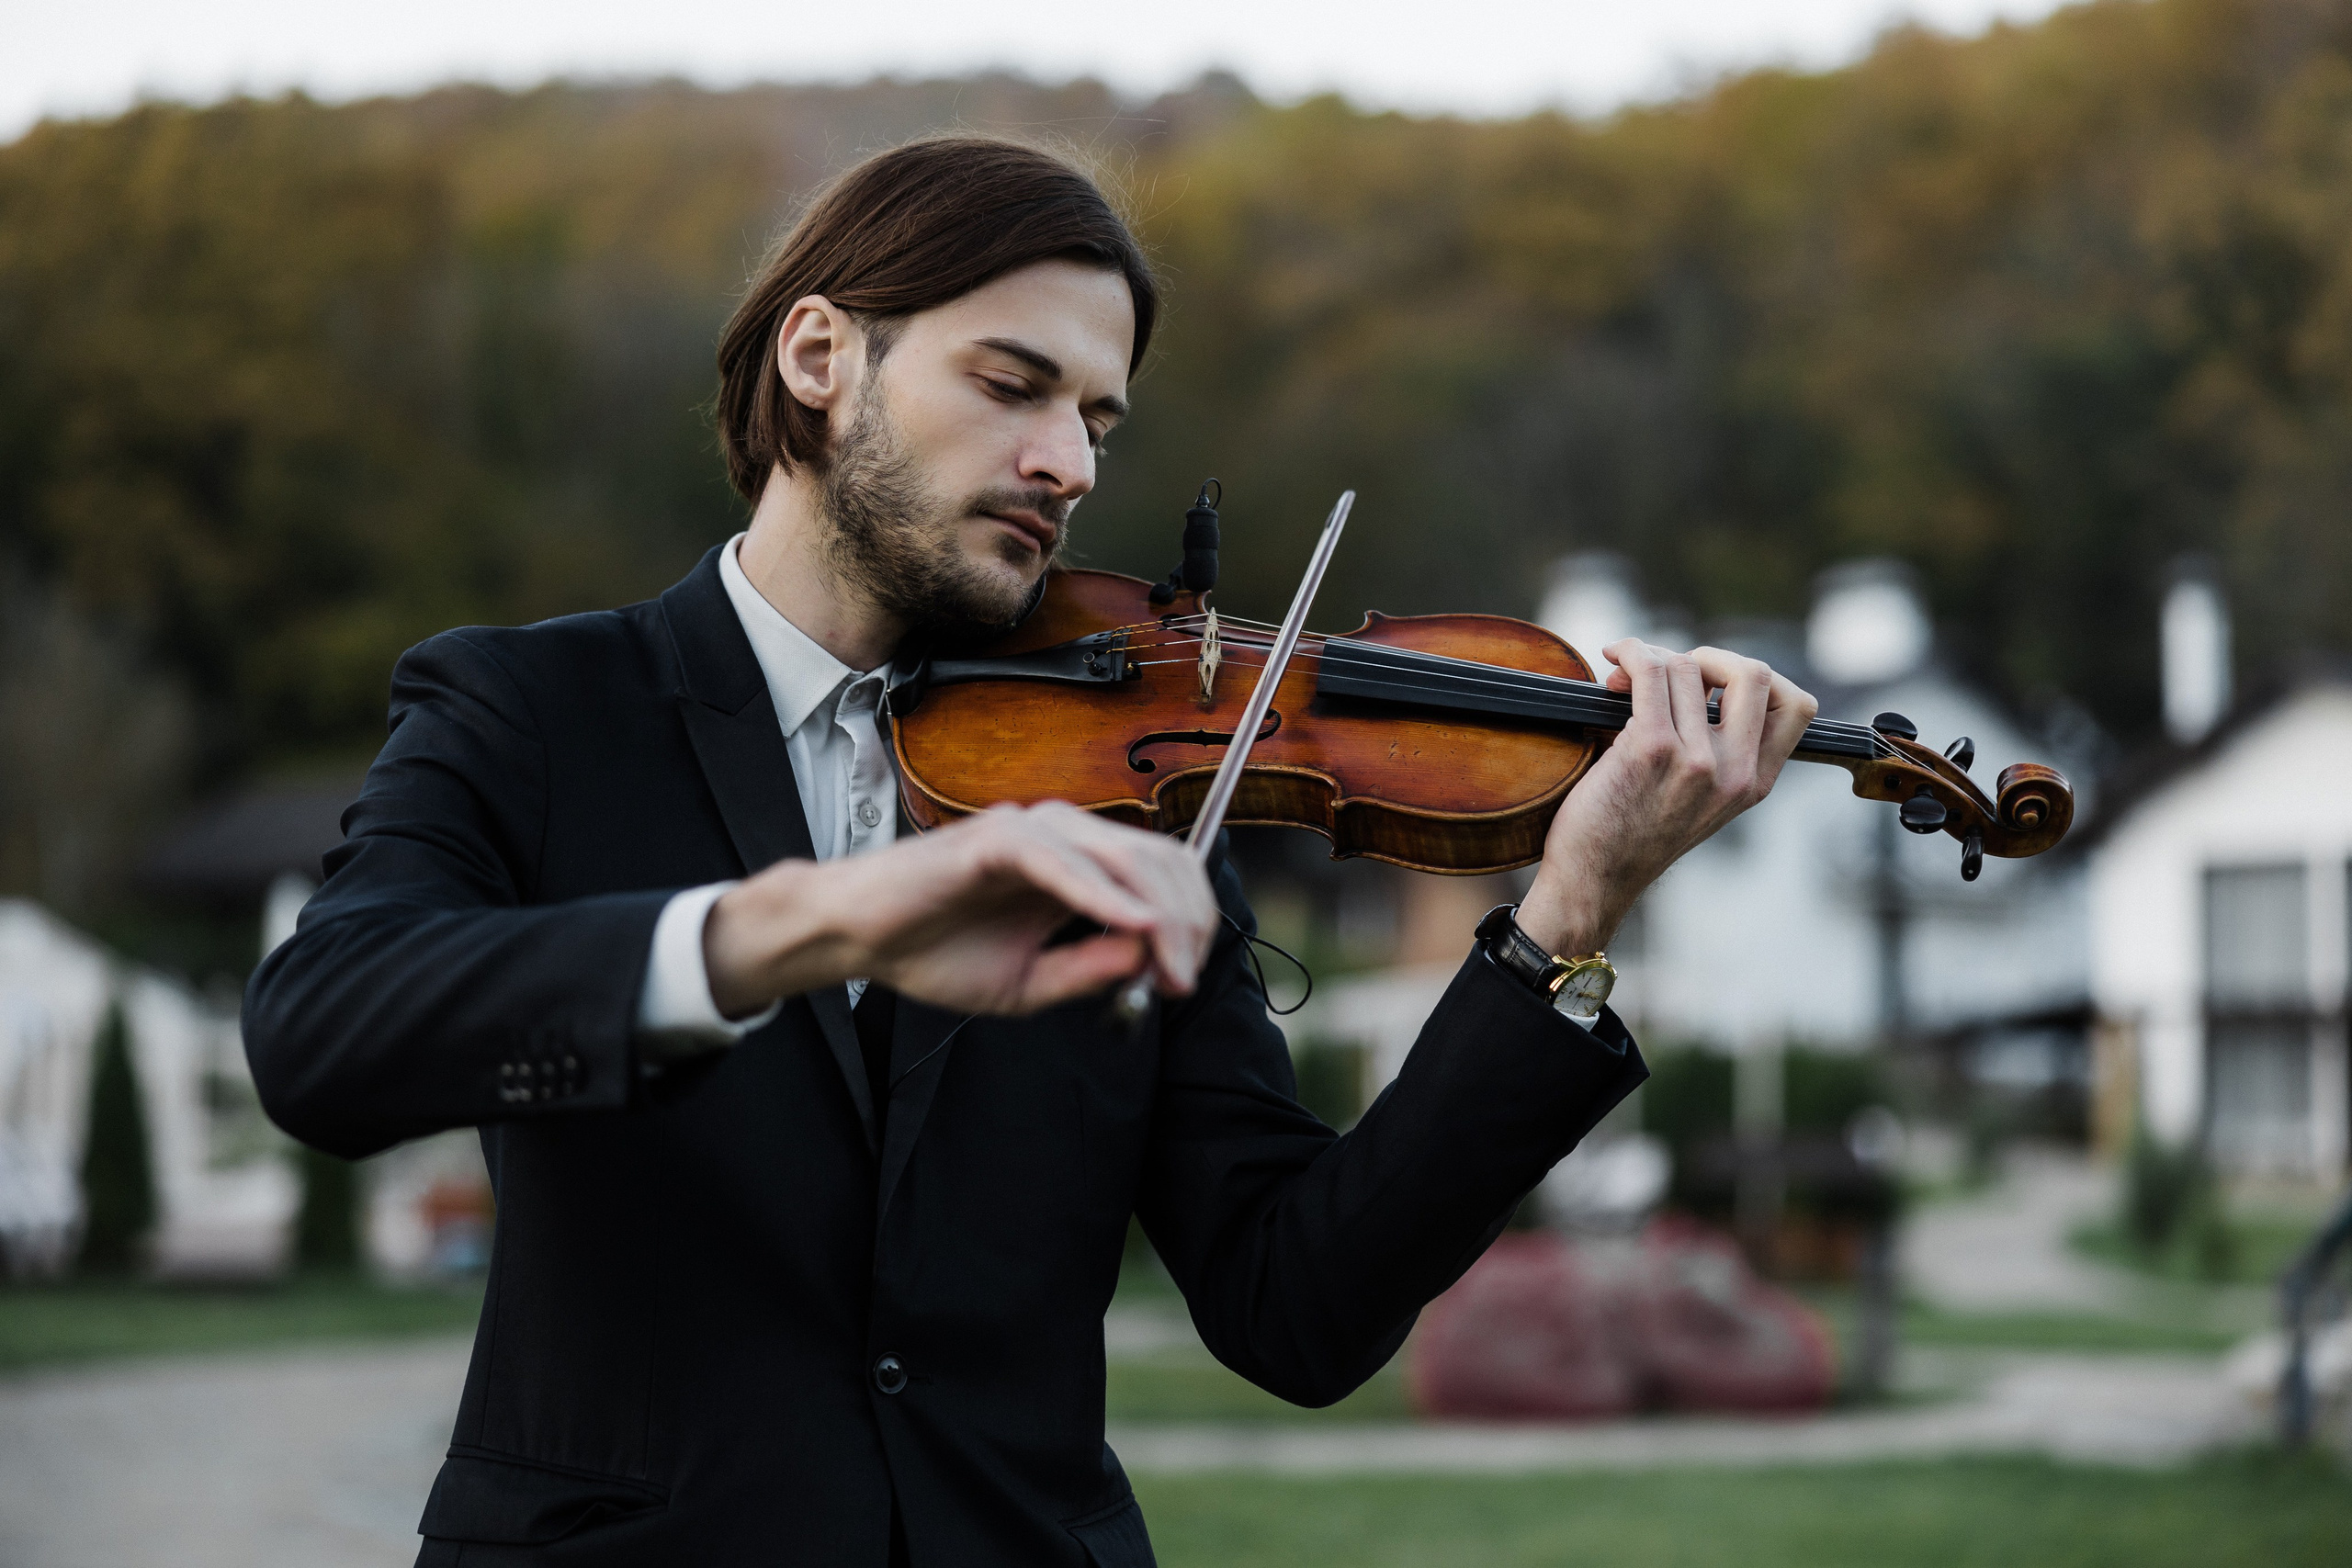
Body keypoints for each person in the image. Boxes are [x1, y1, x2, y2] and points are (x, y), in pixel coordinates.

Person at [243, 135, 1817, 1568]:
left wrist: (1568, 911)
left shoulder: (1133, 810)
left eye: (1096, 418)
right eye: (1014, 385)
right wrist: (796, 927)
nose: (1070, 462)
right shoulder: (532, 709)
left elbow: (1301, 1309)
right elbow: (325, 1039)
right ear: (819, 357)